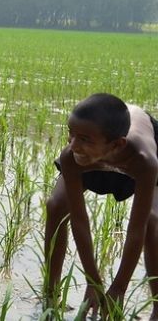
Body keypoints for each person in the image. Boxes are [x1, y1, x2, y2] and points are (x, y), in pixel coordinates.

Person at [44, 93, 158, 320]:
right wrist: (92, 279)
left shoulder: (143, 159)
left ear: (117, 144)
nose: (73, 145)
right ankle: (50, 294)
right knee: (56, 205)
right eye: (70, 135)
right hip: (99, 151)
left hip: (137, 144)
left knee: (153, 220)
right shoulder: (73, 154)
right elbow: (79, 220)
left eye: (83, 139)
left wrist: (119, 288)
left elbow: (136, 231)